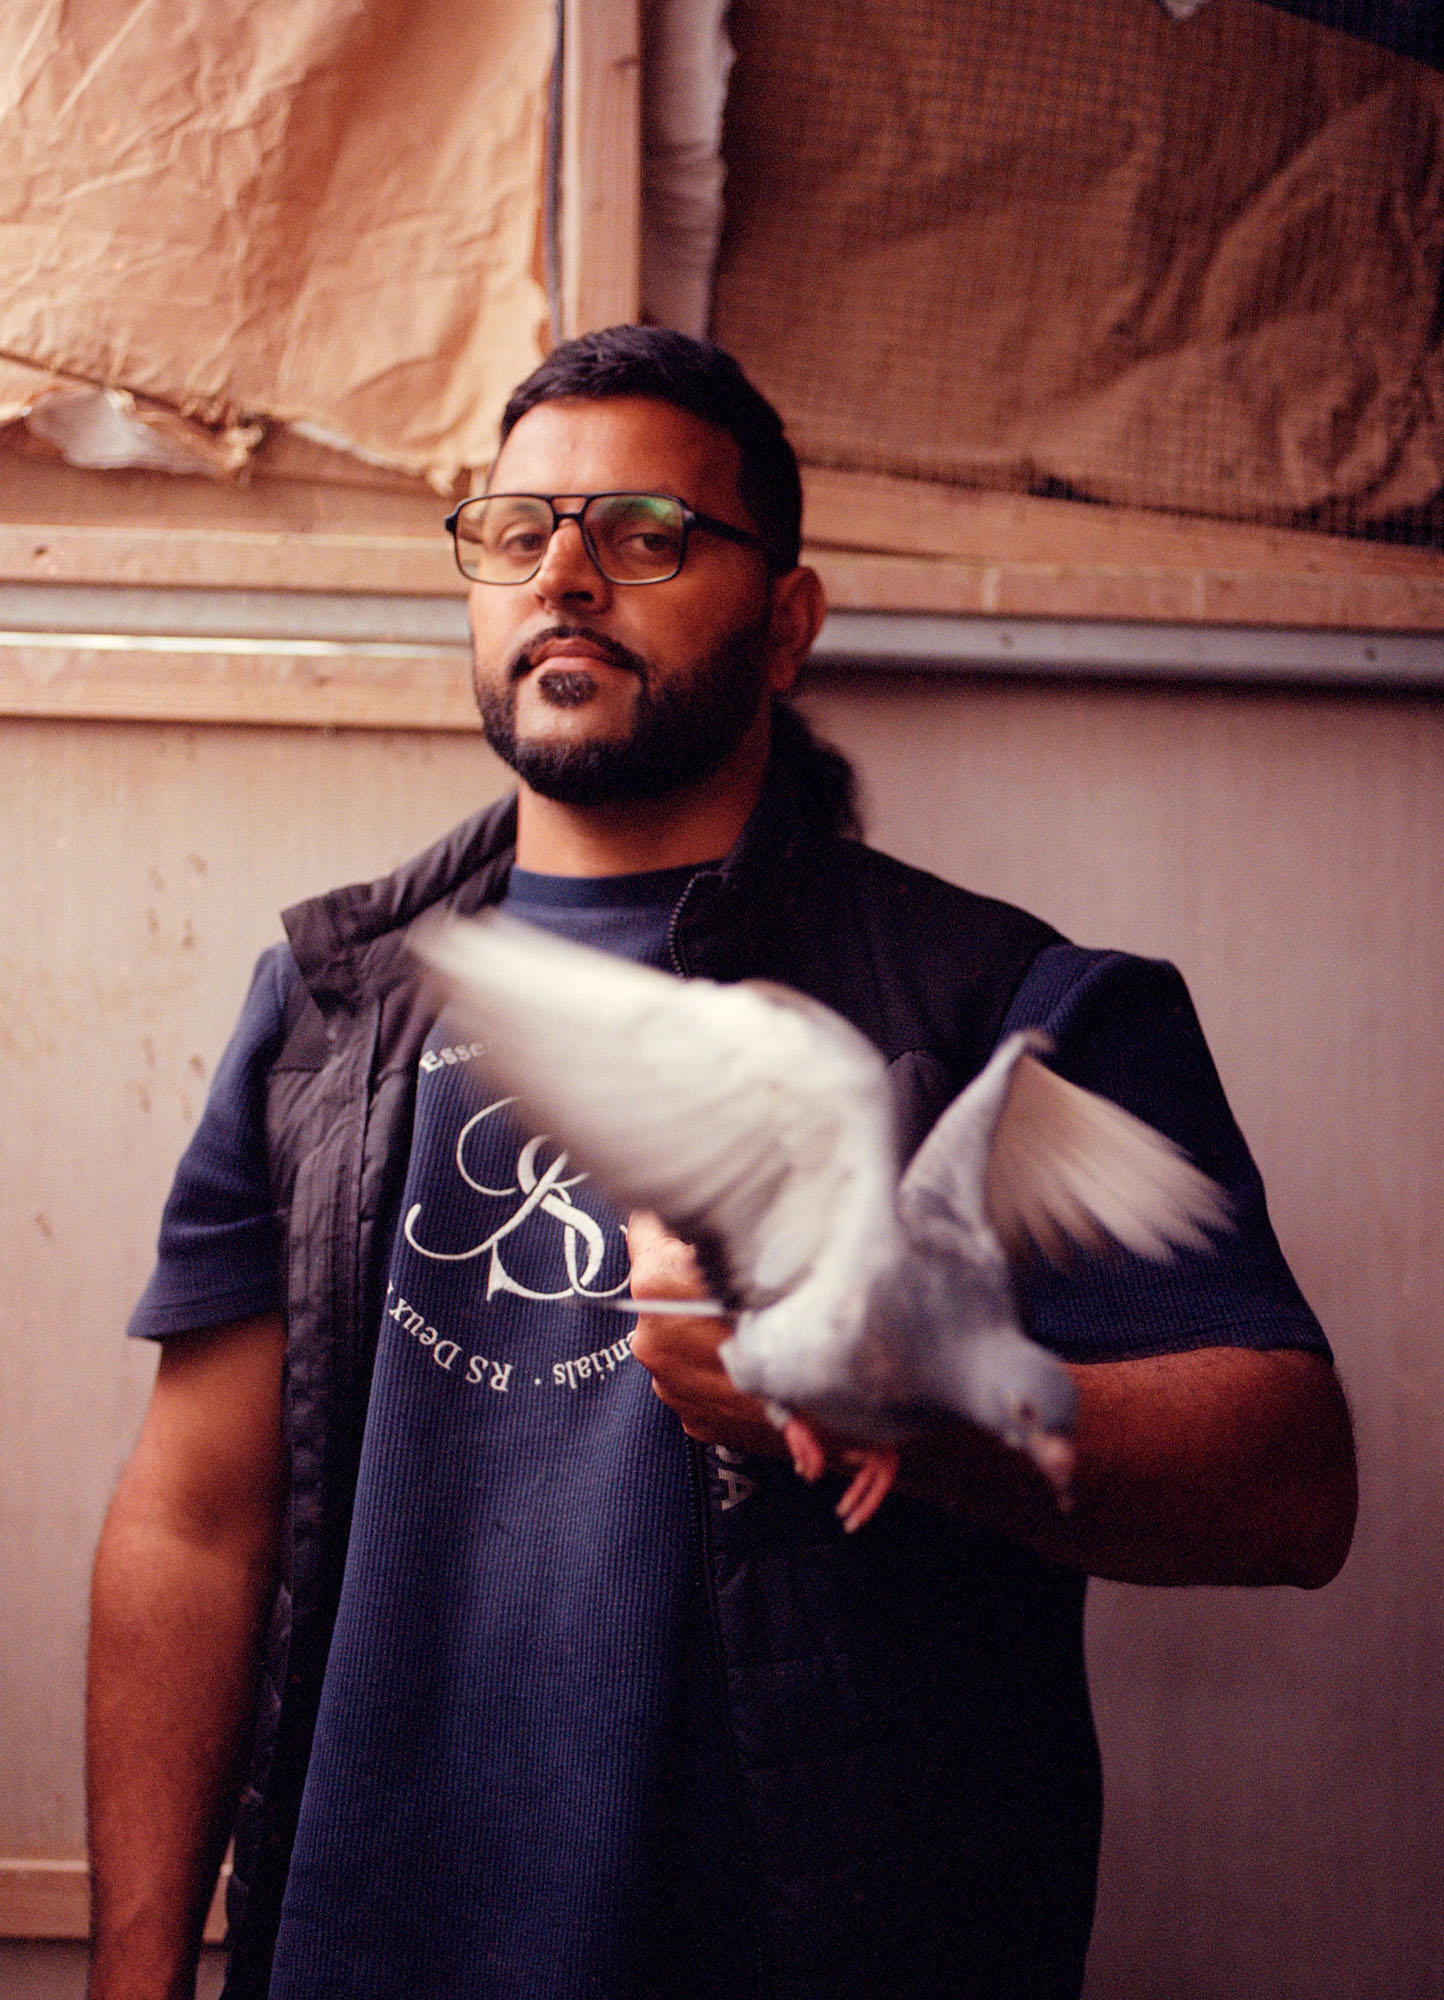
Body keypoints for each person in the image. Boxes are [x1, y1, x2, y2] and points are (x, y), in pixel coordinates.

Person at [87, 326, 1357, 2000]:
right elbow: (194, 1522)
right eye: (516, 530)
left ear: (789, 621)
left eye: (646, 533)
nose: (564, 575)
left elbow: (1288, 1485)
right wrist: (134, 1974)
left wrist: (889, 1404)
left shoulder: (1010, 1012)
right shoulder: (325, 1007)